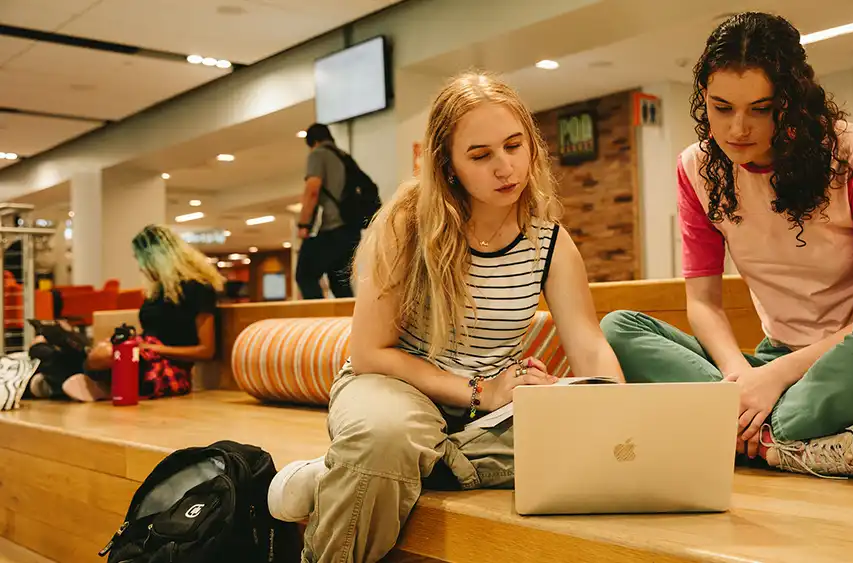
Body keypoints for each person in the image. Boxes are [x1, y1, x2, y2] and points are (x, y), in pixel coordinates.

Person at [268, 72, 624, 562]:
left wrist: (619, 416)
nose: (506, 167)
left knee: (587, 435)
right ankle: (373, 462)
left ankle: (354, 470)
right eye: (480, 156)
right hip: (397, 387)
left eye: (514, 146)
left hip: (490, 413)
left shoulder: (550, 242)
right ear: (448, 165)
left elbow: (588, 344)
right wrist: (482, 391)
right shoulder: (407, 225)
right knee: (386, 436)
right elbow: (369, 353)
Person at [601, 12, 853, 481]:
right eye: (722, 108)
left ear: (790, 101)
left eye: (760, 109)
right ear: (704, 98)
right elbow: (703, 304)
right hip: (770, 362)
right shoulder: (696, 170)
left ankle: (746, 435)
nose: (737, 129)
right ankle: (789, 442)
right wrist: (739, 380)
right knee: (618, 330)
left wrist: (774, 379)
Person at [30, 224, 224, 401]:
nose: (140, 267)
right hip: (142, 355)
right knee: (43, 345)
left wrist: (154, 348)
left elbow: (206, 351)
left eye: (141, 260)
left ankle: (62, 382)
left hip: (167, 368)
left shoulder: (199, 288)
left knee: (101, 355)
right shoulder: (157, 292)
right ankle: (75, 383)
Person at [295, 123, 365, 299]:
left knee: (305, 274)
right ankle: (348, 316)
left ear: (313, 142)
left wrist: (303, 224)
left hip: (333, 229)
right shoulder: (344, 157)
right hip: (351, 231)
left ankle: (318, 315)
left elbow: (312, 190)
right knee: (339, 283)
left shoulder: (318, 154)